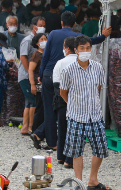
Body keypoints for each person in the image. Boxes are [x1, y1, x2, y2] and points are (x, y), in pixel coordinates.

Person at [38, 11, 110, 149]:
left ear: (61, 22)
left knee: (48, 110)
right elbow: (92, 41)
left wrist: (41, 74)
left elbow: (45, 55)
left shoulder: (52, 33)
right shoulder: (78, 36)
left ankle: (52, 143)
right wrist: (103, 36)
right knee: (63, 110)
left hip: (49, 74)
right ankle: (64, 144)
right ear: (75, 24)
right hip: (66, 77)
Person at [60, 35, 111, 190]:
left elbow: (99, 88)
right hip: (76, 116)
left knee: (100, 148)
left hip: (95, 115)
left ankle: (93, 180)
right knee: (76, 151)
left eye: (88, 48)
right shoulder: (69, 70)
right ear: (76, 50)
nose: (85, 51)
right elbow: (63, 92)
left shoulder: (97, 67)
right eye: (82, 48)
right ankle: (79, 182)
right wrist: (73, 105)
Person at [18, 16, 44, 136]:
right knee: (32, 101)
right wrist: (30, 73)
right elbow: (23, 57)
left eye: (44, 26)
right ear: (34, 26)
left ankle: (25, 127)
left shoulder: (38, 40)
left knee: (29, 102)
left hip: (30, 75)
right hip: (25, 75)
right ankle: (30, 126)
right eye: (40, 25)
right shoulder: (28, 40)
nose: (42, 28)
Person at [53, 37, 76, 168]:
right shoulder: (83, 63)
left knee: (62, 128)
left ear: (66, 48)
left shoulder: (60, 63)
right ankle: (70, 159)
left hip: (61, 100)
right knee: (74, 130)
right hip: (78, 101)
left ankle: (61, 157)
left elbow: (56, 84)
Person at [28, 33, 48, 146]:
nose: (44, 40)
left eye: (45, 38)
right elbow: (31, 70)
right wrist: (32, 84)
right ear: (37, 42)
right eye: (42, 39)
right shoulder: (36, 54)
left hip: (45, 84)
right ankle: (36, 131)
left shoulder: (46, 53)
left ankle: (40, 133)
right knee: (39, 108)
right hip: (38, 84)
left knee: (43, 109)